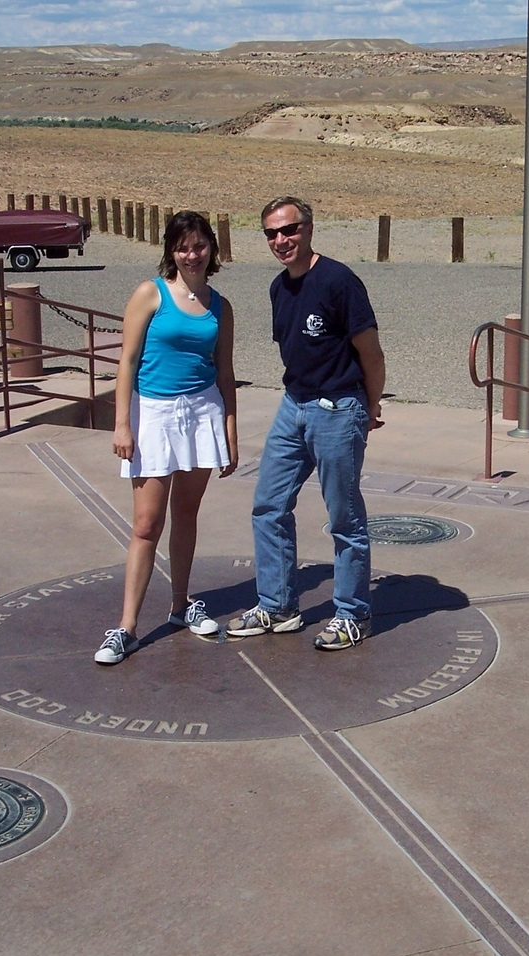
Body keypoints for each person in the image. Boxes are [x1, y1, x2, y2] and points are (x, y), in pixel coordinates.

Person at [225, 196, 386, 651]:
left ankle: (354, 614)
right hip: (293, 405)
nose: (282, 240)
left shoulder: (339, 282)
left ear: (309, 229)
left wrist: (367, 409)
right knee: (268, 506)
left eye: (289, 230)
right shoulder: (279, 288)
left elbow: (371, 354)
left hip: (337, 408)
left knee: (344, 517)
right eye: (272, 234)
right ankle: (277, 605)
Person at [94, 211, 238, 665]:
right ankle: (126, 627)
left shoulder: (220, 306)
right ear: (171, 251)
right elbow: (128, 362)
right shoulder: (149, 294)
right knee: (146, 524)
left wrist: (230, 432)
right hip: (154, 414)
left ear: (211, 249)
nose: (192, 254)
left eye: (199, 246)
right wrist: (122, 423)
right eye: (183, 246)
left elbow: (226, 371)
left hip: (202, 412)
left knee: (187, 516)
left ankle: (180, 606)